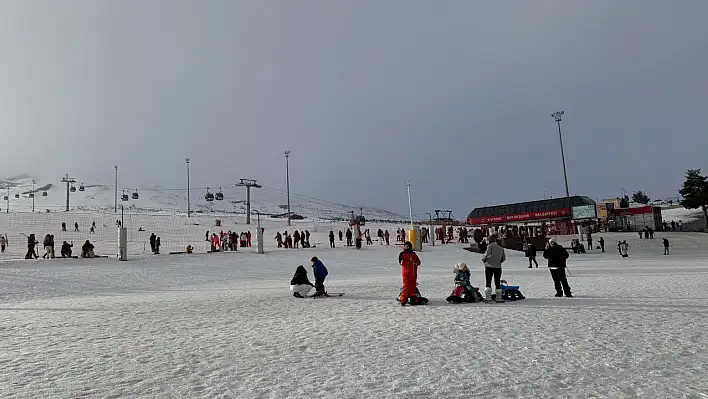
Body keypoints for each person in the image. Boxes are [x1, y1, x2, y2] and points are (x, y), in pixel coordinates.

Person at [481, 234, 506, 303]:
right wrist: (498, 262)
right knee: (497, 282)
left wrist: (484, 260)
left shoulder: (490, 247)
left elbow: (485, 255)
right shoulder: (501, 248)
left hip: (489, 266)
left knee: (488, 282)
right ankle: (498, 298)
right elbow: (503, 258)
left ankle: (488, 298)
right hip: (498, 267)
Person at [398, 241, 421, 306]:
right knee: (406, 287)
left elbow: (418, 261)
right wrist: (410, 263)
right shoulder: (402, 254)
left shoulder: (413, 254)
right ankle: (403, 300)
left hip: (413, 273)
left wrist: (416, 263)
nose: (406, 248)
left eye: (407, 246)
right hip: (406, 273)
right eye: (405, 246)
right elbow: (401, 262)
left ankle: (413, 300)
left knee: (413, 287)